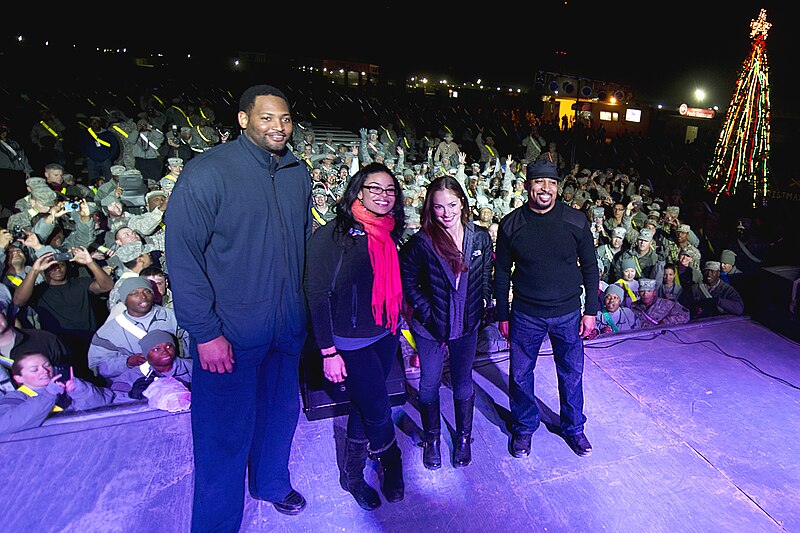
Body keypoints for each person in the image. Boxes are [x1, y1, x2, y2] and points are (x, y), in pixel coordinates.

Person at [164, 84, 311, 530]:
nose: (278, 127)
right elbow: (183, 258)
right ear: (244, 119)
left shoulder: (295, 173)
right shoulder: (208, 172)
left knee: (280, 416)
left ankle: (270, 482)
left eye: (284, 119)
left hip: (285, 330)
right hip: (229, 335)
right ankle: (215, 524)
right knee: (222, 437)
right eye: (266, 117)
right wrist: (205, 333)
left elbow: (302, 246)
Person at [305, 162, 406, 510]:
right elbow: (316, 293)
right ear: (358, 192)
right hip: (348, 341)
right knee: (378, 408)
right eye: (375, 188)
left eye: (390, 189)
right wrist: (328, 351)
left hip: (385, 332)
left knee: (365, 405)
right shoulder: (332, 235)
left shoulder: (391, 231)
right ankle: (391, 461)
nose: (383, 195)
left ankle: (351, 475)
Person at [494, 160, 599, 459]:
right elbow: (501, 272)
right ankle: (524, 427)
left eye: (551, 183)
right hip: (526, 314)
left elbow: (591, 268)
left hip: (568, 313)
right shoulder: (511, 224)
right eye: (538, 182)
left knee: (571, 374)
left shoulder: (576, 221)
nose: (545, 188)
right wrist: (503, 313)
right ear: (527, 186)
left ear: (558, 187)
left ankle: (573, 427)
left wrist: (590, 310)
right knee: (521, 373)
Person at [400, 175, 493, 470]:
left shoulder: (479, 237)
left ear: (462, 203)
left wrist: (482, 305)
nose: (446, 213)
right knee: (428, 385)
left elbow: (486, 276)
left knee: (463, 383)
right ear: (430, 207)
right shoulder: (420, 242)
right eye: (439, 207)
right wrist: (428, 314)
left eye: (452, 204)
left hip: (466, 326)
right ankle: (433, 439)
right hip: (429, 330)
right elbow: (409, 283)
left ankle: (463, 438)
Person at [0, 352, 114, 435]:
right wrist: (48, 395)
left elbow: (102, 407)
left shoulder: (67, 387)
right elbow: (4, 425)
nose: (44, 371)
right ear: (18, 378)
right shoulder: (15, 398)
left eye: (47, 365)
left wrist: (82, 391)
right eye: (35, 370)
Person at [110, 329, 192, 400]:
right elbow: (114, 402)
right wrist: (131, 396)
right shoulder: (130, 377)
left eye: (168, 346)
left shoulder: (192, 368)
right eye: (156, 349)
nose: (165, 352)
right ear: (146, 354)